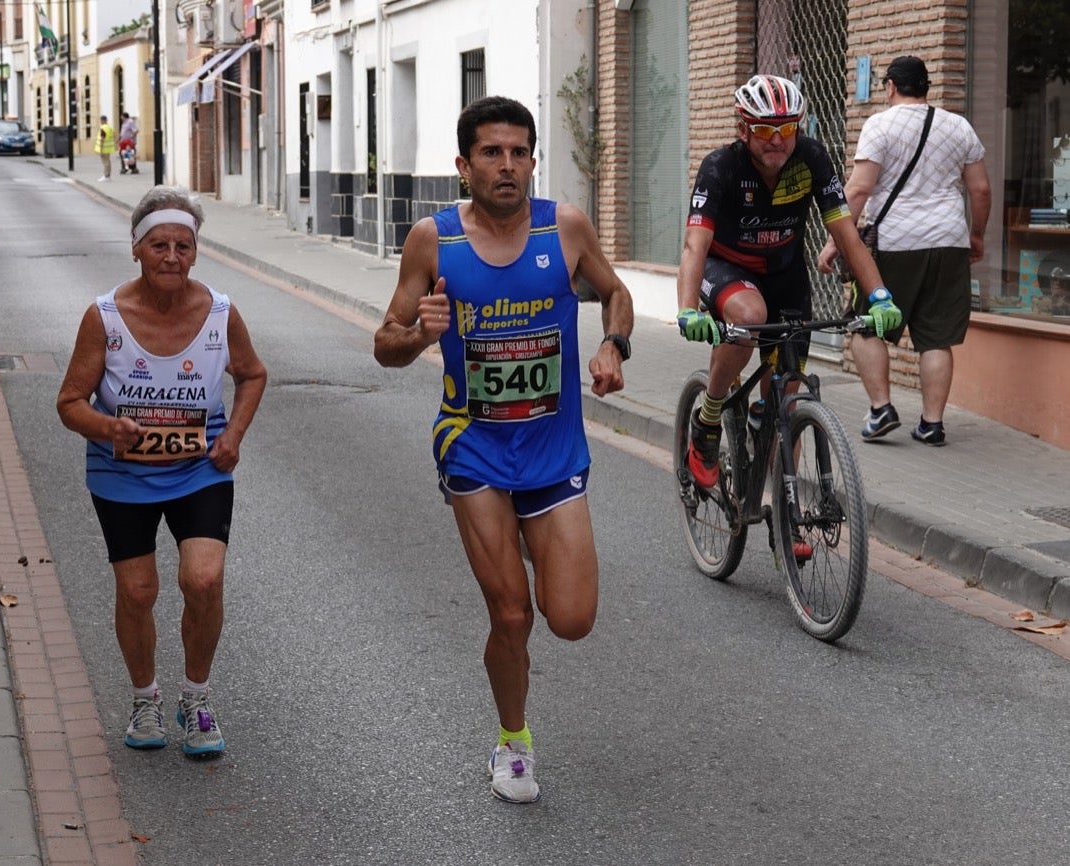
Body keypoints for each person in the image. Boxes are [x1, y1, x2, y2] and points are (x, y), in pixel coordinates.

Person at [373, 95, 633, 803]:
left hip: (553, 450)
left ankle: (532, 541)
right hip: (474, 449)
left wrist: (613, 344)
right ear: (464, 165)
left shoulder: (565, 226)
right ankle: (512, 742)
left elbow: (616, 294)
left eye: (519, 152)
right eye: (492, 152)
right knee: (512, 615)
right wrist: (421, 334)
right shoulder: (433, 242)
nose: (508, 165)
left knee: (572, 620)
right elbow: (384, 346)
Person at [56, 186, 267, 756]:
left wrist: (233, 435)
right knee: (138, 591)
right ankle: (145, 700)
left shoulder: (220, 313)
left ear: (196, 251)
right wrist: (108, 428)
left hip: (200, 468)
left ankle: (195, 698)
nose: (171, 256)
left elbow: (252, 374)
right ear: (136, 249)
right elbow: (70, 401)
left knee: (202, 579)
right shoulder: (104, 317)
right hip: (121, 473)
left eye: (183, 245)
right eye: (158, 245)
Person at [676, 74, 900, 497]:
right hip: (726, 268)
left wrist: (881, 296)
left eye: (787, 129)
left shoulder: (812, 159)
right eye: (764, 129)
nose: (777, 140)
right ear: (742, 129)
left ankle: (788, 519)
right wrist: (688, 309)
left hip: (785, 275)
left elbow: (848, 238)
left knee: (786, 400)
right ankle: (708, 417)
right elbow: (694, 246)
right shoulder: (720, 167)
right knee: (748, 317)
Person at [818, 56, 991, 446]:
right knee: (936, 338)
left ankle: (881, 409)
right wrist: (976, 236)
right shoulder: (958, 126)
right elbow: (980, 189)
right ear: (926, 87)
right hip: (949, 241)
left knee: (865, 324)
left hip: (893, 244)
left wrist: (833, 241)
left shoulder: (880, 125)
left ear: (891, 86)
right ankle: (931, 424)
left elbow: (859, 189)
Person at [95, 115, 115, 182]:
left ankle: (106, 176)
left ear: (103, 120)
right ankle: (108, 176)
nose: (100, 122)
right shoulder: (109, 127)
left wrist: (101, 151)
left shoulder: (103, 128)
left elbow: (102, 139)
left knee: (105, 163)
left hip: (104, 148)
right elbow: (113, 136)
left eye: (100, 120)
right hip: (108, 148)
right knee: (108, 162)